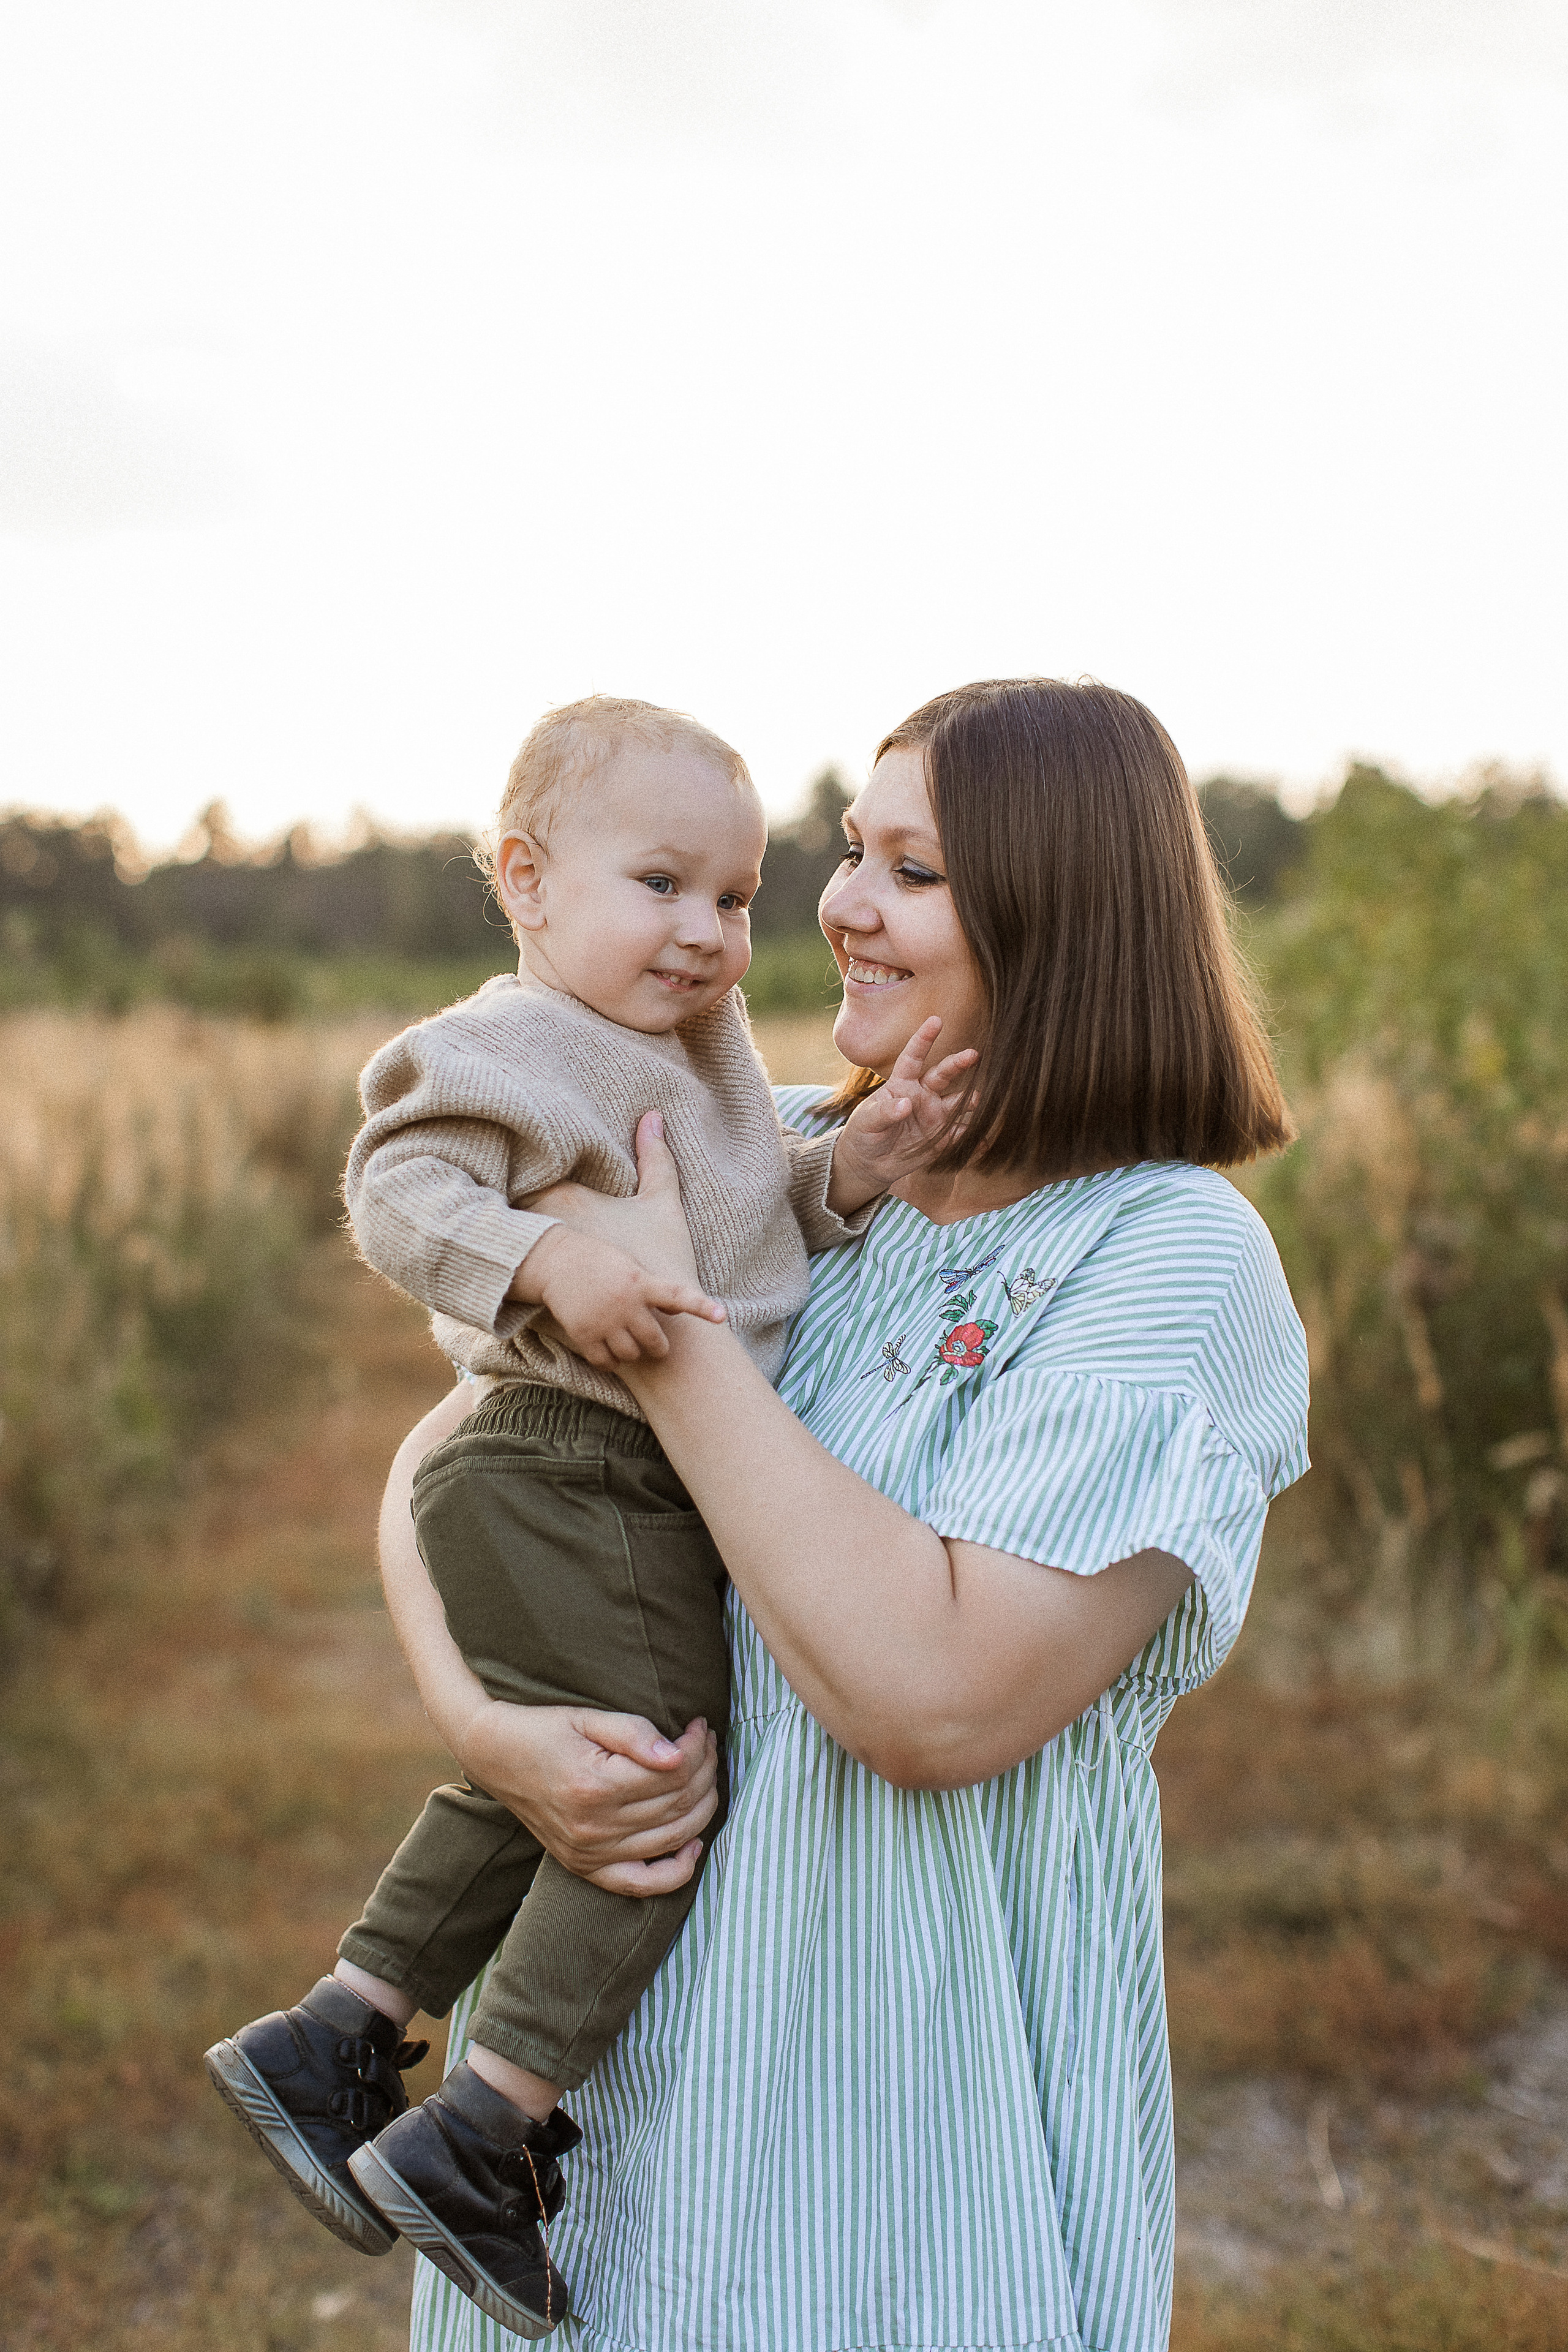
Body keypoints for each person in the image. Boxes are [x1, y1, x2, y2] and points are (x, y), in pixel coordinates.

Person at [389, 676, 1311, 2352]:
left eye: (913, 870)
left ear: (1061, 912)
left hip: (894, 2137)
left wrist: (671, 1330)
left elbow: (933, 1695)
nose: (835, 909)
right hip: (602, 2084)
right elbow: (455, 1447)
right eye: (850, 852)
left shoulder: (1163, 1258)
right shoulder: (794, 1161)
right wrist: (484, 1730)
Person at [204, 696, 973, 2339]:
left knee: (569, 1765)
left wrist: (860, 1165)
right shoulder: (513, 1040)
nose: (705, 934)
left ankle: (339, 2028)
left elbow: (751, 1229)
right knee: (655, 1779)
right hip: (571, 1455)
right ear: (528, 881)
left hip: (596, 1469)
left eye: (735, 897)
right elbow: (398, 1186)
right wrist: (548, 1260)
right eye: (661, 886)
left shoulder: (693, 1058)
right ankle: (488, 2124)